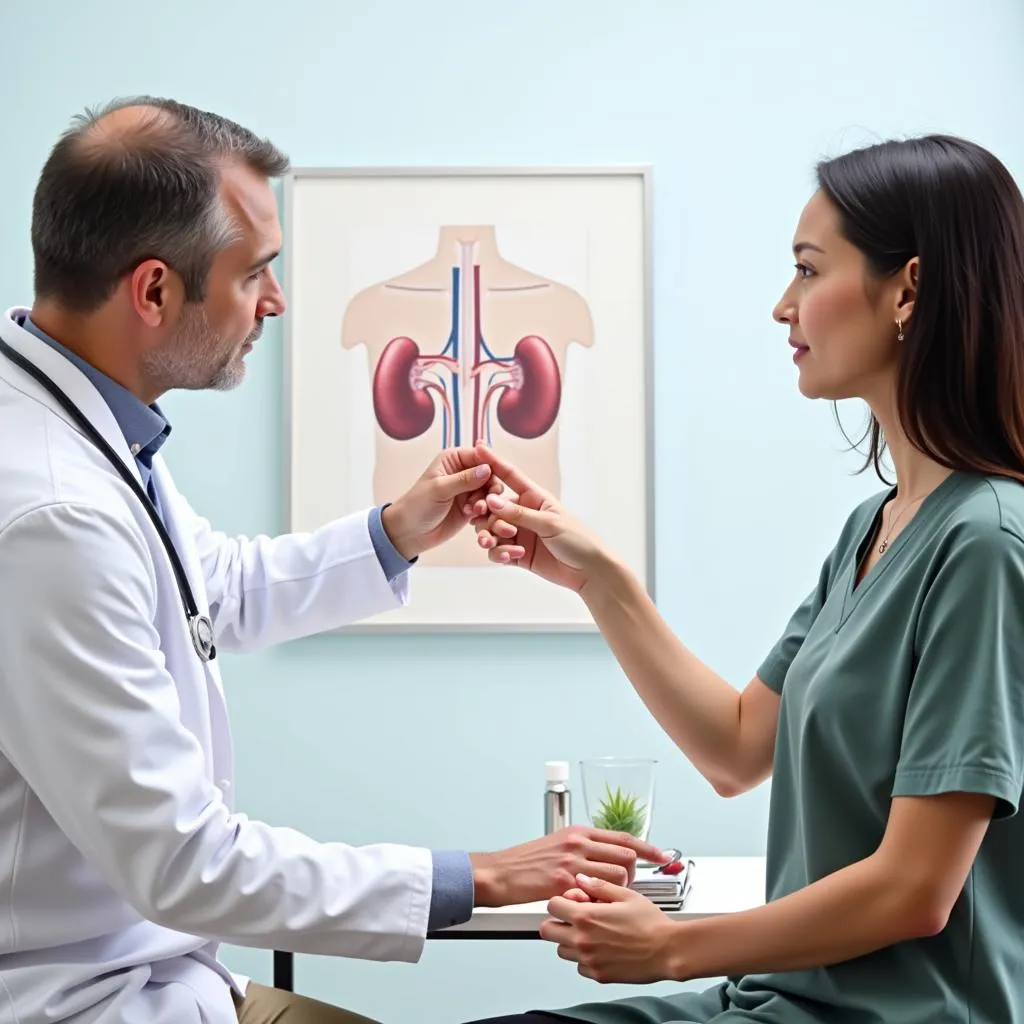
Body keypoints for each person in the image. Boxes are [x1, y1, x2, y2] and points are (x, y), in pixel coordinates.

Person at [0, 97, 667, 1024]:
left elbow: (213, 589)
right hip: (79, 1000)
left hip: (164, 976)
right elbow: (184, 864)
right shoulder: (50, 511)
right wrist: (478, 875)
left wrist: (398, 529)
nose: (274, 301)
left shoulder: (87, 434)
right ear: (153, 291)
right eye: (255, 274)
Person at [461, 133, 1024, 1024]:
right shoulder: (872, 531)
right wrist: (598, 578)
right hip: (778, 1002)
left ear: (909, 289)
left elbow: (917, 887)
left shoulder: (986, 544)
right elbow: (734, 748)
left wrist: (672, 946)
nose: (781, 307)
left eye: (808, 270)